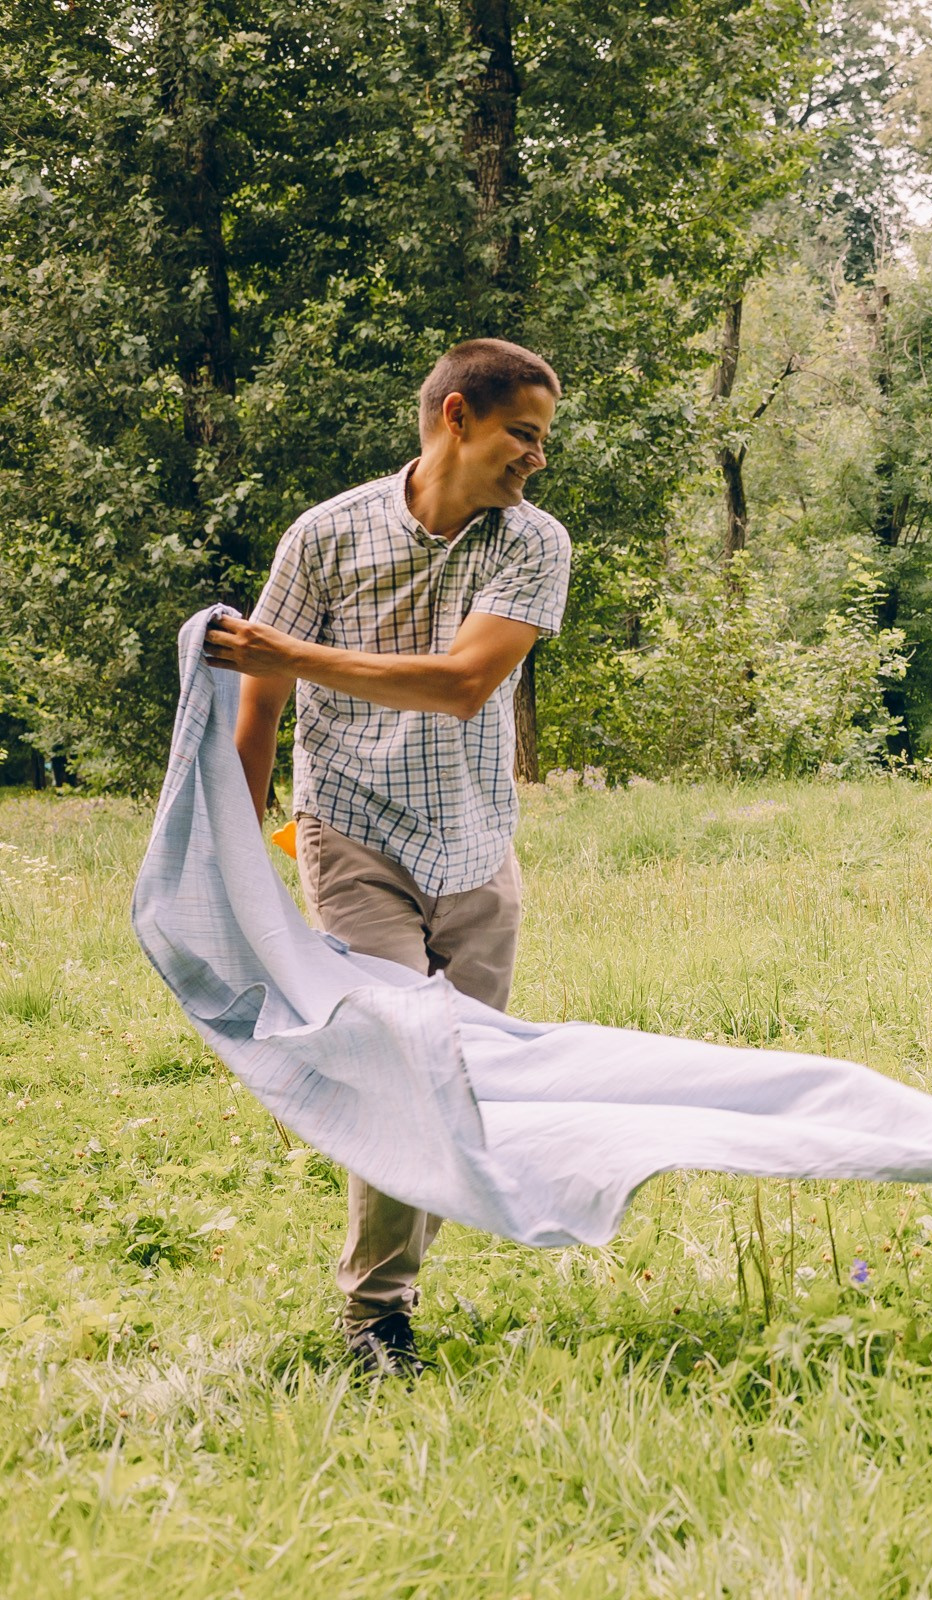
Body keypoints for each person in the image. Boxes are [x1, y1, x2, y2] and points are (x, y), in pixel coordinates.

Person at [202, 338, 571, 1374]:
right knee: (402, 1063)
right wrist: (238, 857)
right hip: (353, 831)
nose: (536, 458)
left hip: (476, 842)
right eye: (523, 435)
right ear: (456, 416)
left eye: (542, 440)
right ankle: (378, 1315)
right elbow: (259, 705)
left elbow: (462, 684)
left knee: (460, 1081)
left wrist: (289, 653)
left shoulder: (532, 544)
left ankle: (402, 1260)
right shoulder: (324, 536)